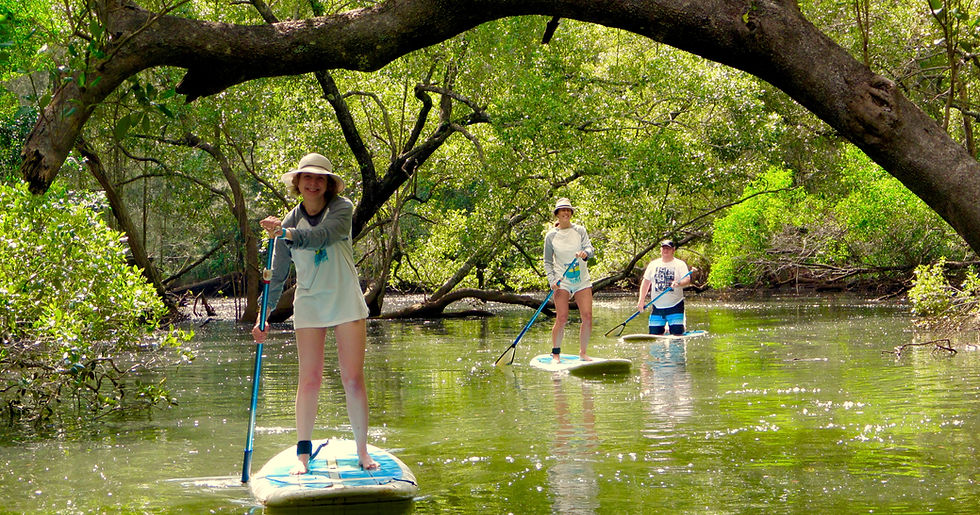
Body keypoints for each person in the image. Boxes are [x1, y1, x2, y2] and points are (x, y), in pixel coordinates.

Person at [251, 152, 378, 473]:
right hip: (309, 302)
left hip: (345, 300)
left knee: (352, 378)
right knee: (309, 379)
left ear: (328, 184)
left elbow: (323, 236)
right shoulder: (287, 224)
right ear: (297, 183)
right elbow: (276, 276)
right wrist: (262, 316)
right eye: (307, 177)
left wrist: (285, 233)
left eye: (319, 178)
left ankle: (363, 452)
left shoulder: (342, 209)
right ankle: (303, 456)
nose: (313, 183)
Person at [543, 198, 595, 363]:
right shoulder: (551, 236)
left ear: (571, 213)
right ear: (557, 214)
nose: (565, 213)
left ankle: (583, 353)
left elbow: (590, 248)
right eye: (562, 210)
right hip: (562, 281)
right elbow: (547, 262)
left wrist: (585, 253)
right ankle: (556, 354)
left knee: (587, 316)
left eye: (568, 210)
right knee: (562, 318)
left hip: (582, 280)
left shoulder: (580, 230)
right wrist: (552, 280)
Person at [637, 240, 692, 336]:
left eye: (668, 248)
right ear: (660, 250)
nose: (665, 250)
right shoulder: (653, 264)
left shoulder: (680, 264)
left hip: (675, 305)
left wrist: (679, 283)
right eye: (664, 248)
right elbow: (646, 283)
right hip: (657, 306)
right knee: (654, 336)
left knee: (677, 337)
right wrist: (641, 300)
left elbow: (687, 280)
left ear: (673, 250)